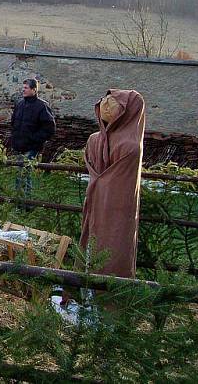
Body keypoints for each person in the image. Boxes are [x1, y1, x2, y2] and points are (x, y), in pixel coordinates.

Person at [79, 90, 145, 278]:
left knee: (99, 241)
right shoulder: (130, 145)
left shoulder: (94, 140)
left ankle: (90, 290)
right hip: (118, 204)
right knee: (114, 244)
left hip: (98, 198)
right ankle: (106, 296)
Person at [10, 78, 56, 196]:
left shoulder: (41, 106)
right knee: (20, 174)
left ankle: (25, 203)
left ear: (34, 90)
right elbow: (14, 123)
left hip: (31, 147)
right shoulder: (20, 104)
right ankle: (19, 202)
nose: (23, 90)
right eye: (23, 87)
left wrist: (34, 139)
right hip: (19, 145)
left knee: (24, 173)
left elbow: (50, 128)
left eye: (26, 88)